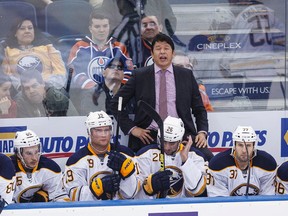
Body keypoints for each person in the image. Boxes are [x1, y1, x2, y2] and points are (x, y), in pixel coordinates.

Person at [111, 33, 214, 161]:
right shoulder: (140, 76)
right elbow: (116, 103)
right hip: (149, 135)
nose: (162, 52)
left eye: (166, 48)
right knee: (137, 165)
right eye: (158, 48)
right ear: (152, 54)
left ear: (173, 53)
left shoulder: (186, 75)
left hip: (182, 134)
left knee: (208, 158)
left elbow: (199, 109)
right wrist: (133, 129)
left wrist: (202, 132)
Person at [67, 12, 133, 115]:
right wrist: (96, 87)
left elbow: (129, 71)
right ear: (90, 28)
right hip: (89, 93)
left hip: (116, 91)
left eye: (105, 26)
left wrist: (117, 86)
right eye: (97, 26)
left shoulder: (119, 47)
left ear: (109, 27)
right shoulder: (80, 47)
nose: (102, 30)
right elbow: (73, 73)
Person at [63, 111, 138, 201]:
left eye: (107, 130)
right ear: (89, 132)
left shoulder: (126, 154)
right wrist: (98, 187)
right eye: (98, 130)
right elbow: (74, 196)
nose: (103, 134)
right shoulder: (75, 160)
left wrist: (127, 173)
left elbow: (132, 193)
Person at [135, 116, 207, 199]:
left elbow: (196, 190)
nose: (167, 147)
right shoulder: (145, 155)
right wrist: (149, 186)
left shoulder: (195, 156)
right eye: (164, 142)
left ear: (180, 140)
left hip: (184, 208)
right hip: (154, 208)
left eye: (172, 143)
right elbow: (133, 194)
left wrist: (186, 160)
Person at [99, 0, 176, 67]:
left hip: (153, 48)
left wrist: (160, 40)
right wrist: (115, 42)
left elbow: (169, 20)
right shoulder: (111, 2)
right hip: (123, 49)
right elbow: (105, 21)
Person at [206, 125, 277, 196]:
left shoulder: (267, 163)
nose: (244, 150)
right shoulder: (218, 164)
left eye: (248, 145)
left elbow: (267, 199)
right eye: (240, 145)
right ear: (234, 145)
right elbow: (219, 201)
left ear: (254, 146)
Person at [0, 17, 66, 92]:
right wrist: (23, 89)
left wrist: (47, 87)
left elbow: (60, 71)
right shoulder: (7, 50)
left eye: (30, 28)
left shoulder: (47, 46)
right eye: (22, 28)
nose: (27, 31)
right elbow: (7, 75)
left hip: (50, 89)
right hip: (22, 92)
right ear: (15, 33)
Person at [10, 129, 70, 202]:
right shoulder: (7, 168)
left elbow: (61, 198)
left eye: (36, 152)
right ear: (18, 153)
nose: (34, 158)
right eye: (29, 153)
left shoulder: (50, 168)